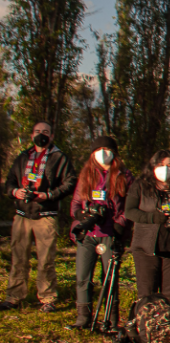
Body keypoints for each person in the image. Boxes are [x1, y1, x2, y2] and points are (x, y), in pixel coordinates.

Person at [0, 121, 76, 312]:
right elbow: (9, 181)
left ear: (52, 136)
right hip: (22, 214)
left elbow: (70, 182)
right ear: (32, 134)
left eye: (45, 132)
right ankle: (14, 297)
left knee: (46, 259)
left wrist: (49, 195)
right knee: (19, 257)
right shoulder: (23, 156)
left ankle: (47, 298)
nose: (41, 134)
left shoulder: (59, 157)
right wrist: (15, 192)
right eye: (37, 131)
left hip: (45, 214)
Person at [67, 136, 133, 330]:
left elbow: (130, 205)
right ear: (92, 154)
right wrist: (82, 215)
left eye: (107, 149)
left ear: (115, 153)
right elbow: (75, 203)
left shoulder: (124, 175)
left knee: (110, 279)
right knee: (83, 277)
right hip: (88, 234)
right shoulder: (86, 174)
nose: (103, 153)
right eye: (98, 150)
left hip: (110, 234)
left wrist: (120, 226)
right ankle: (83, 318)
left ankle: (111, 320)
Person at [124, 151, 170, 318]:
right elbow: (130, 211)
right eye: (161, 165)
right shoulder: (140, 185)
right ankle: (147, 327)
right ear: (153, 166)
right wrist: (153, 218)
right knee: (147, 292)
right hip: (145, 246)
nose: (165, 169)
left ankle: (169, 327)